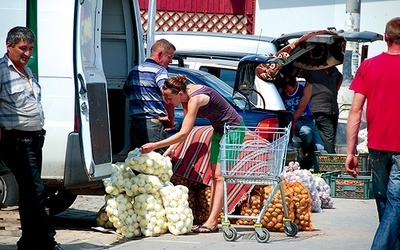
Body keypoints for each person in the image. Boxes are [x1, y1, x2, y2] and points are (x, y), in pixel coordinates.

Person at [140, 74, 245, 233]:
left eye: (169, 98)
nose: (167, 102)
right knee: (214, 176)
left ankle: (212, 221)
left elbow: (183, 134)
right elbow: (184, 132)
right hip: (218, 131)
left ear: (179, 93)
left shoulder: (195, 99)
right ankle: (212, 220)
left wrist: (155, 145)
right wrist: (171, 148)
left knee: (220, 176)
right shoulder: (185, 98)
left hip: (233, 130)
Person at [0, 27, 60, 249]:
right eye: (22, 48)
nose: (27, 54)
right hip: (17, 141)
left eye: (30, 49)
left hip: (35, 138)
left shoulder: (27, 72)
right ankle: (46, 239)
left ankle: (28, 241)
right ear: (9, 46)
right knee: (35, 190)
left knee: (28, 191)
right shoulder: (2, 71)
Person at [345, 17, 400, 250]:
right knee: (394, 203)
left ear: (385, 38)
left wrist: (350, 151)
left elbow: (355, 109)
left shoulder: (368, 66)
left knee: (387, 202)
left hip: (376, 146)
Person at [122, 39, 176, 154]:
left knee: (137, 160)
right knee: (157, 162)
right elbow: (167, 94)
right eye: (169, 57)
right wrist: (171, 118)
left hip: (136, 124)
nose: (170, 61)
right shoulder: (160, 71)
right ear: (160, 54)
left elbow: (126, 93)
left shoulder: (134, 71)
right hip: (154, 124)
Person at [279, 70, 324, 170]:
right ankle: (305, 150)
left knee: (320, 148)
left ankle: (305, 163)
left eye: (288, 90)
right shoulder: (282, 93)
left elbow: (301, 108)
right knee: (306, 131)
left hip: (303, 118)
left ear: (294, 85)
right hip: (292, 119)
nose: (287, 92)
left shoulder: (304, 87)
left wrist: (293, 121)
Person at [301, 67, 343, 154]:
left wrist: (335, 89)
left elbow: (340, 77)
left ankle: (320, 158)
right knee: (329, 135)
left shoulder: (333, 70)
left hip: (333, 108)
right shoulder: (312, 70)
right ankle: (331, 159)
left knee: (329, 136)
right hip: (319, 107)